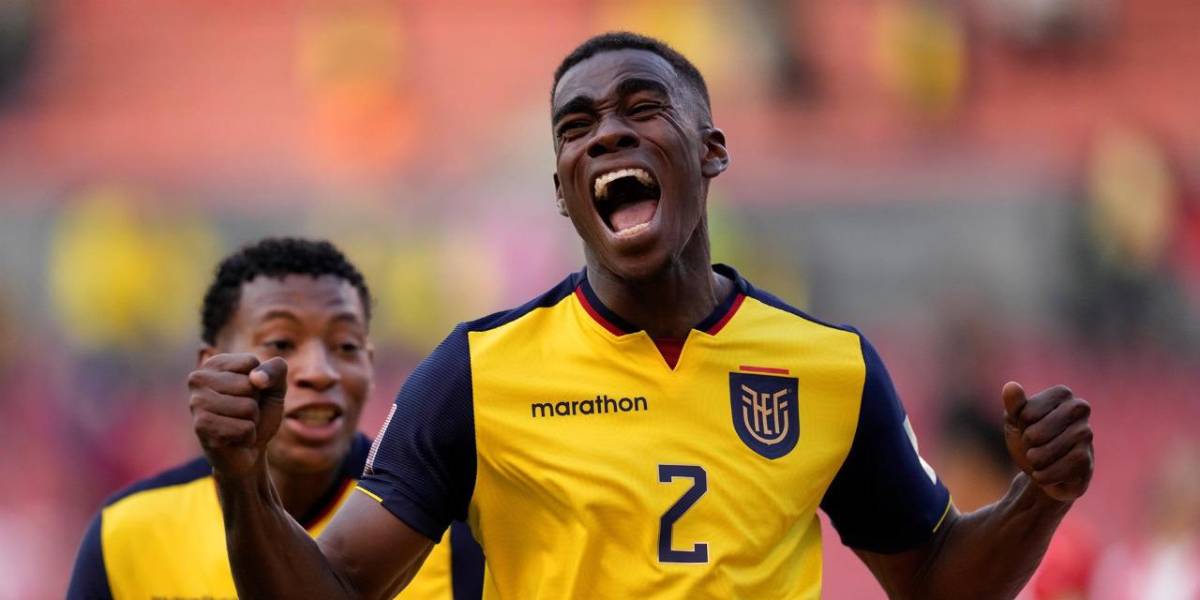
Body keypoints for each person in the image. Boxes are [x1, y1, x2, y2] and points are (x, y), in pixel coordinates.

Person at [193, 33, 1095, 599]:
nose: (606, 135)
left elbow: (934, 581)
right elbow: (337, 587)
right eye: (575, 126)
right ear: (563, 191)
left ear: (711, 151)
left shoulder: (829, 367)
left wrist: (1040, 497)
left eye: (641, 107)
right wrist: (241, 482)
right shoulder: (478, 371)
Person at [66, 237, 483, 599]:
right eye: (281, 342)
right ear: (211, 366)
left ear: (370, 367)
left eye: (346, 346)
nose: (319, 371)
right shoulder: (125, 534)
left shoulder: (446, 531)